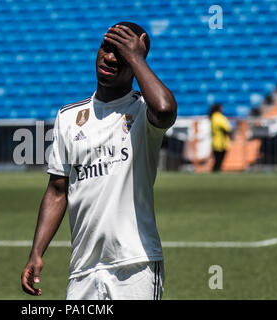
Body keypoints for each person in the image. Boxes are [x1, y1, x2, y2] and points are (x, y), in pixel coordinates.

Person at [21, 22, 177, 300]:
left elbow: (165, 110)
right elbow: (57, 191)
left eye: (121, 53)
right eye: (106, 48)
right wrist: (36, 252)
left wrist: (137, 57)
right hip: (83, 270)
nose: (110, 58)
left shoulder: (143, 111)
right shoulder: (68, 117)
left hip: (135, 265)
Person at [209, 103, 231, 172]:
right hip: (220, 143)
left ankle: (215, 172)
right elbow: (226, 128)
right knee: (218, 161)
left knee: (218, 161)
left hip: (217, 142)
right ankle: (215, 172)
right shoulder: (218, 117)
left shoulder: (213, 117)